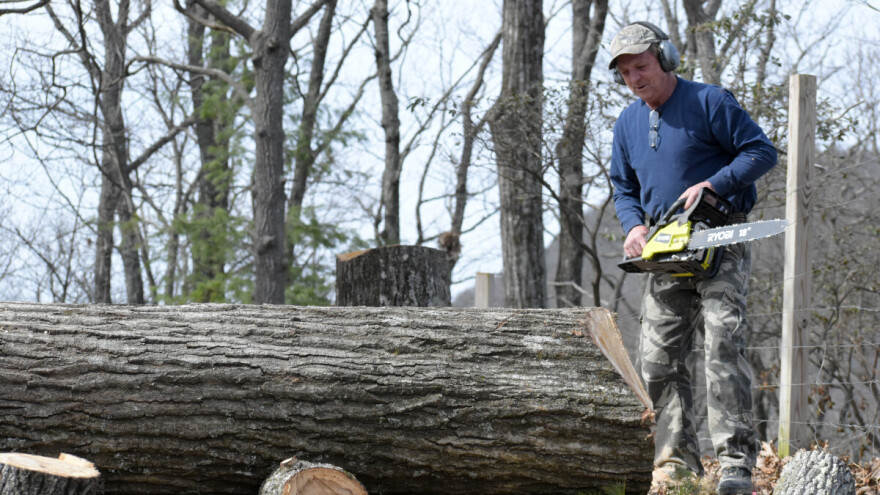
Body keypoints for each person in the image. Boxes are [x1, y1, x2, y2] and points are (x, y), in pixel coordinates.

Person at [607, 21, 777, 495]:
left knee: (723, 347)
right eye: (625, 73)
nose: (635, 78)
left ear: (665, 59)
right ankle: (677, 467)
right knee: (657, 361)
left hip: (718, 238)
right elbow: (623, 187)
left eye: (641, 66)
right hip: (665, 249)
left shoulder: (710, 101)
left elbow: (761, 152)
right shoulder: (627, 124)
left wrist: (714, 184)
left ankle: (736, 466)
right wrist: (634, 226)